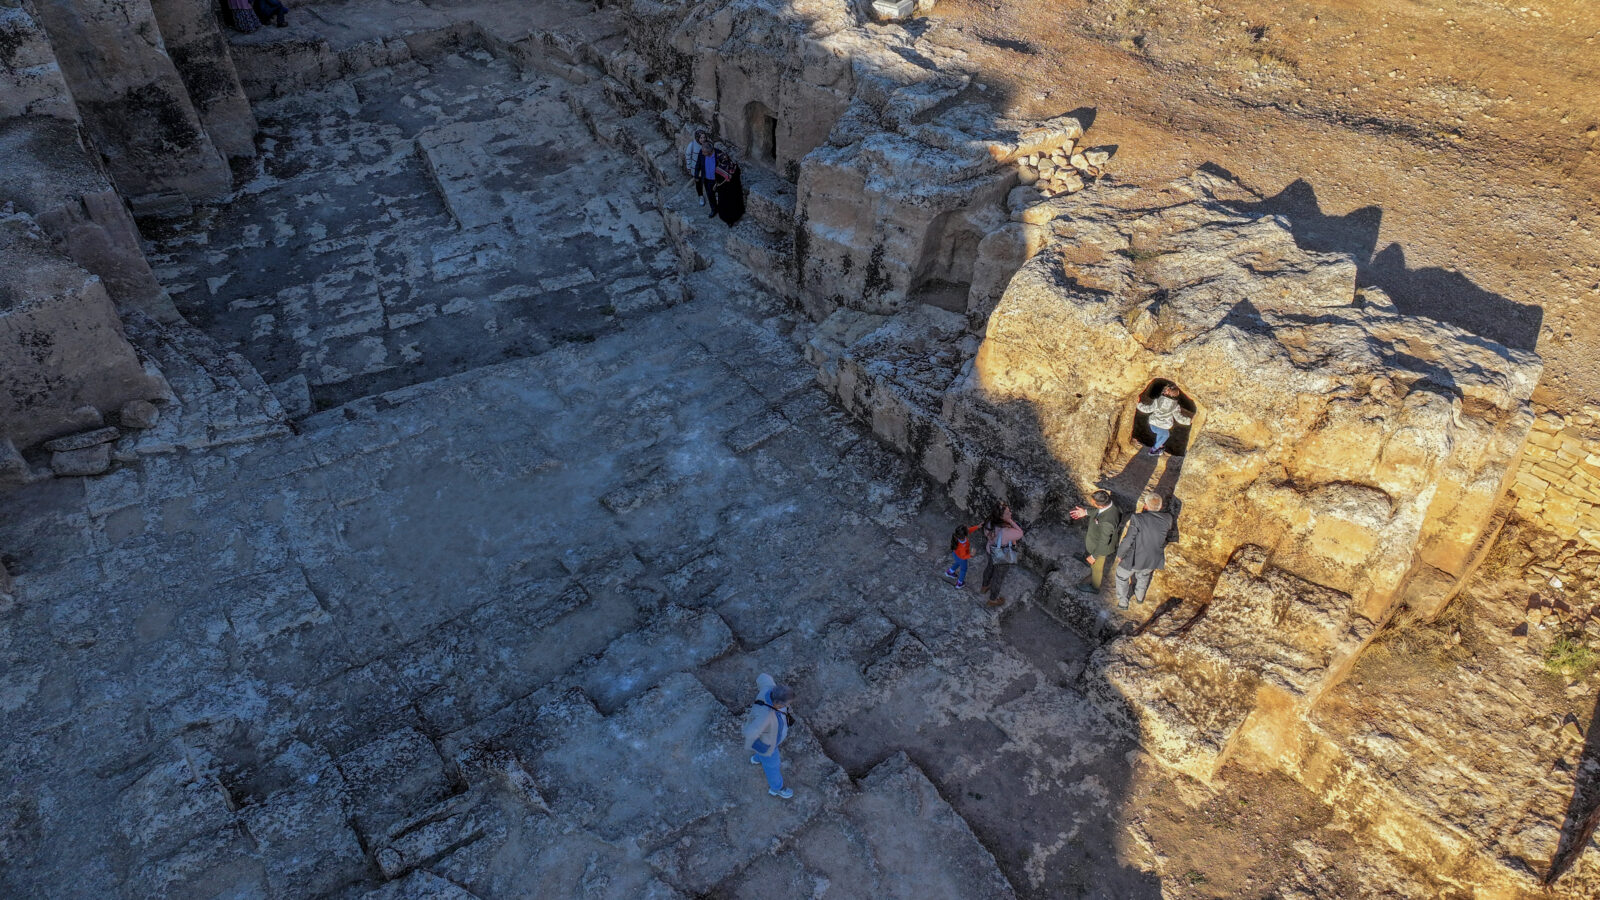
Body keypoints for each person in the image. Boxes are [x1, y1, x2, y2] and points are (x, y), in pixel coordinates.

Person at [1114, 492, 1173, 610]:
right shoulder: (1168, 518)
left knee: (1121, 577)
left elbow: (1128, 539)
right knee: (1144, 576)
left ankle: (1123, 602)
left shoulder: (1138, 518)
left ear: (1145, 505)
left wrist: (1120, 554)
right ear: (1160, 507)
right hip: (1153, 557)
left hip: (1134, 557)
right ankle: (1140, 597)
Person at [743, 674, 795, 799]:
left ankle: (757, 758)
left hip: (764, 740)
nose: (787, 706)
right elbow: (750, 732)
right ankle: (776, 788)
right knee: (773, 766)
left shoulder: (769, 688)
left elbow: (762, 677)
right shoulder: (764, 717)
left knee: (764, 756)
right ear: (777, 704)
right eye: (786, 705)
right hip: (768, 745)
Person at [1069, 490, 1123, 594]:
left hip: (1101, 548)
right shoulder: (1109, 505)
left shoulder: (1108, 522)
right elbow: (1098, 512)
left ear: (1101, 505)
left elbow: (1103, 542)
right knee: (1090, 553)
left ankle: (1095, 587)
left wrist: (1094, 556)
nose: (1091, 502)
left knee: (1097, 568)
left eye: (1093, 502)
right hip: (1095, 539)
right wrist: (1085, 512)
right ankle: (1087, 560)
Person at [978, 503, 1024, 608]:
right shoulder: (1007, 531)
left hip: (990, 550)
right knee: (998, 578)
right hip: (1000, 556)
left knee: (989, 567)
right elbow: (1020, 533)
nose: (1011, 513)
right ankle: (993, 599)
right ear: (1001, 517)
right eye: (1008, 513)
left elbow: (987, 534)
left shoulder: (989, 522)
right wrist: (1010, 521)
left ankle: (984, 586)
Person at [1138, 384, 1191, 456]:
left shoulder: (1157, 401)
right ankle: (1153, 450)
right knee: (1166, 435)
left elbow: (1147, 409)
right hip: (1164, 426)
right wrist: (1188, 421)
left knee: (1161, 434)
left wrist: (1138, 404)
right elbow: (1179, 418)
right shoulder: (1175, 406)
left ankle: (1159, 447)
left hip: (1153, 425)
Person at [713, 148, 745, 227]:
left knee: (725, 206)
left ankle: (728, 221)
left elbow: (717, 181)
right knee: (735, 203)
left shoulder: (718, 170)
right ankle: (736, 216)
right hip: (734, 191)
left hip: (724, 193)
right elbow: (738, 176)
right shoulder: (734, 166)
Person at [945, 523, 982, 588]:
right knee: (963, 569)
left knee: (957, 562)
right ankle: (959, 583)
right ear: (965, 535)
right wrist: (971, 555)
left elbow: (969, 530)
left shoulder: (957, 536)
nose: (968, 528)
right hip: (961, 557)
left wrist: (977, 526)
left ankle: (949, 572)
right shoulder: (962, 546)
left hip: (955, 554)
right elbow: (963, 556)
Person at [684, 130, 709, 206]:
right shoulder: (692, 145)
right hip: (696, 168)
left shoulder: (708, 144)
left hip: (706, 168)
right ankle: (700, 196)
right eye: (701, 138)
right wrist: (689, 167)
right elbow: (688, 156)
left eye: (704, 137)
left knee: (707, 181)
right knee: (698, 183)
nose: (703, 139)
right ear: (697, 138)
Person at [695, 141, 719, 217]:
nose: (702, 153)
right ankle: (714, 209)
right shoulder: (702, 152)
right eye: (702, 151)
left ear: (710, 151)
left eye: (704, 152)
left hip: (718, 180)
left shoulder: (719, 154)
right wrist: (696, 175)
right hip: (707, 179)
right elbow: (698, 164)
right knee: (710, 195)